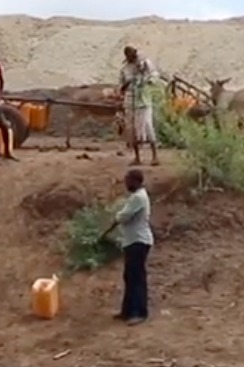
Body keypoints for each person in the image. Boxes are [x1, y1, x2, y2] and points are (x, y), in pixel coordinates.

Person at [102, 168, 153, 326]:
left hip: (138, 241)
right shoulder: (138, 196)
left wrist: (106, 231)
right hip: (134, 241)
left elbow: (122, 217)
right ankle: (128, 311)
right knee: (131, 277)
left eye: (128, 181)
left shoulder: (138, 197)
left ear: (136, 181)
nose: (126, 184)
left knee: (136, 278)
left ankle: (139, 313)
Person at [119, 46, 160, 166]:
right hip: (130, 101)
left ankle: (155, 157)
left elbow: (154, 76)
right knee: (132, 129)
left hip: (144, 101)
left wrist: (147, 80)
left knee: (148, 127)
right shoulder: (125, 69)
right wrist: (127, 84)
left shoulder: (145, 64)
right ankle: (137, 158)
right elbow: (121, 86)